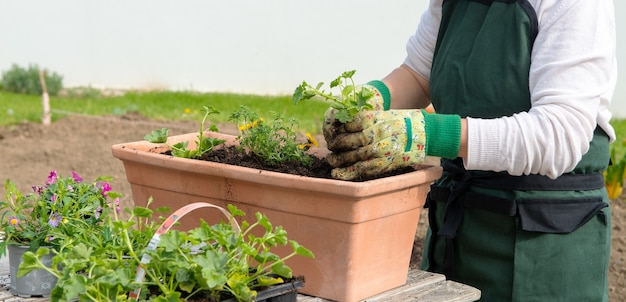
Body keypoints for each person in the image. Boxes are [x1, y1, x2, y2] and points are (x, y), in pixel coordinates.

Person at [322, 0, 617, 301]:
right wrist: (372, 99)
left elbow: (559, 134)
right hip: (458, 228)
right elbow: (418, 74)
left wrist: (430, 133)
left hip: (542, 243)